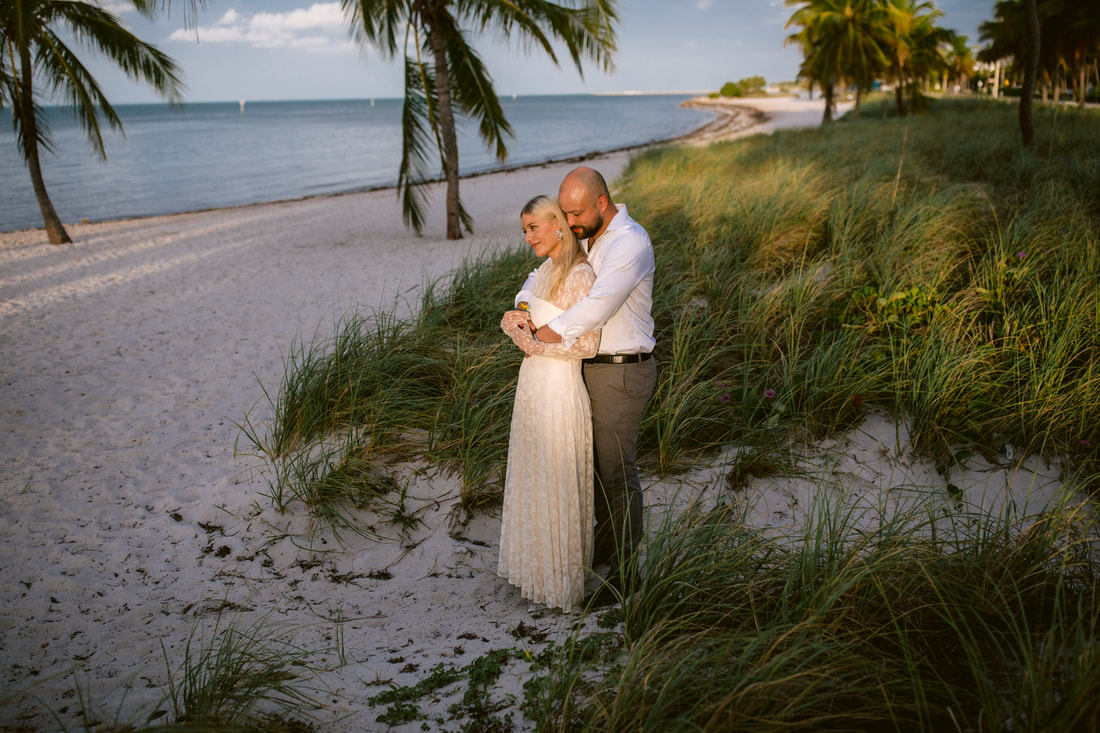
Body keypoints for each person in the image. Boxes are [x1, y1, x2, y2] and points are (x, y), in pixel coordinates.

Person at [513, 167, 657, 601]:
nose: (570, 221)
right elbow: (549, 267)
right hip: (585, 368)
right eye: (565, 214)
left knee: (616, 472)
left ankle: (625, 577)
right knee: (591, 470)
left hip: (622, 369)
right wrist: (523, 304)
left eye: (576, 212)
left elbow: (597, 305)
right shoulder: (587, 235)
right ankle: (602, 552)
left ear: (601, 202)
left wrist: (542, 334)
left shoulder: (629, 242)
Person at [498, 195, 600, 612]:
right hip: (532, 388)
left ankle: (561, 585)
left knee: (556, 476)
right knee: (533, 475)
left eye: (533, 228)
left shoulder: (580, 275)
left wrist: (524, 339)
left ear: (558, 223)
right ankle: (536, 575)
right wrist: (517, 321)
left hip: (559, 390)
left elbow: (588, 346)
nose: (527, 237)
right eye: (524, 230)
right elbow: (531, 318)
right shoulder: (543, 271)